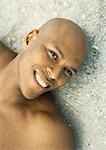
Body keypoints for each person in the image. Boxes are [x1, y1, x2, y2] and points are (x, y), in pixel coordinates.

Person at [0, 18, 87, 150]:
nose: (55, 75)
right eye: (53, 55)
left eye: (67, 71)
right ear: (31, 39)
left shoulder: (48, 136)